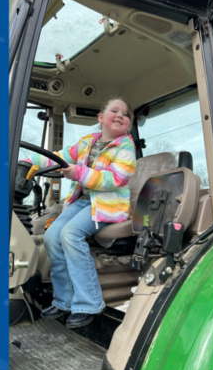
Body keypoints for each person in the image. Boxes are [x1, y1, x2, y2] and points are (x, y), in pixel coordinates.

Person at [23, 97, 136, 329]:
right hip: (82, 201)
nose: (120, 115)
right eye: (114, 110)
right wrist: (25, 163)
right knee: (52, 235)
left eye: (125, 114)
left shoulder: (125, 147)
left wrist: (79, 173)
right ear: (100, 118)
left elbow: (115, 179)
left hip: (108, 205)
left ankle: (89, 303)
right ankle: (63, 300)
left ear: (129, 125)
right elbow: (56, 157)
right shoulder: (86, 143)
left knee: (70, 234)